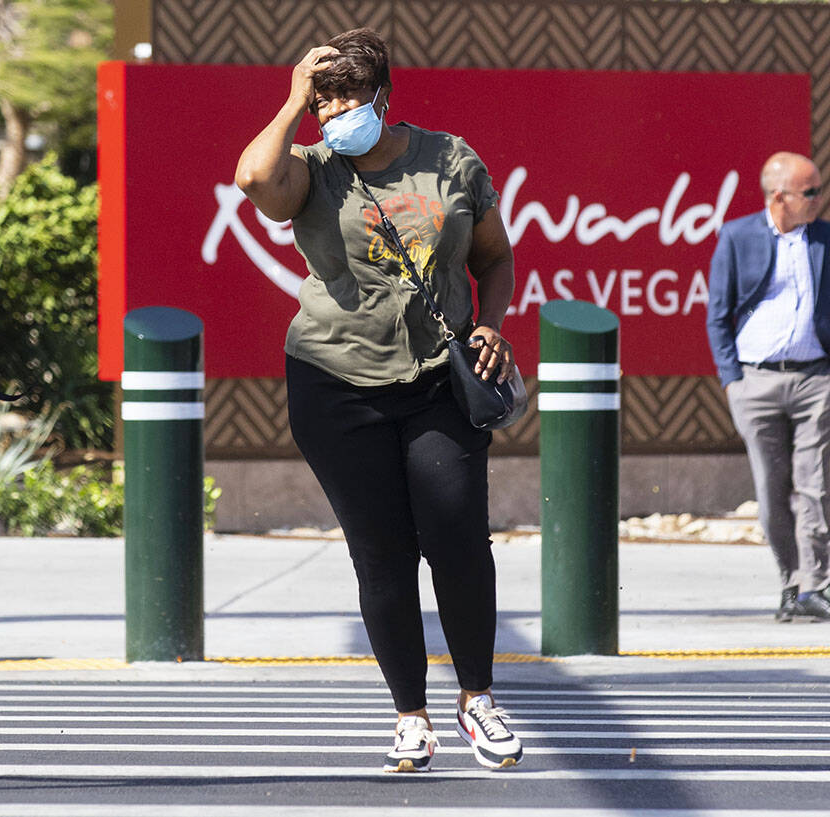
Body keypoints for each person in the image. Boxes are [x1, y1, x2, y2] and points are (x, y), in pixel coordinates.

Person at [235, 28, 523, 772]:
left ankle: (478, 699)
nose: (336, 113)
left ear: (384, 96)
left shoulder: (451, 159)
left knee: (458, 536)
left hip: (437, 379)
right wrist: (295, 97)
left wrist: (490, 321)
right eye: (324, 100)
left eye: (347, 97)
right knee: (382, 554)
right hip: (335, 384)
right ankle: (409, 713)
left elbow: (495, 255)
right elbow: (251, 179)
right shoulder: (313, 167)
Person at [707, 151, 830, 622]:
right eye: (810, 192)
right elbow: (718, 314)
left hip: (815, 378)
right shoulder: (738, 237)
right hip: (755, 382)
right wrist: (732, 381)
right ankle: (791, 581)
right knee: (772, 491)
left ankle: (816, 585)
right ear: (780, 197)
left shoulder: (823, 239)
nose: (818, 199)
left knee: (814, 484)